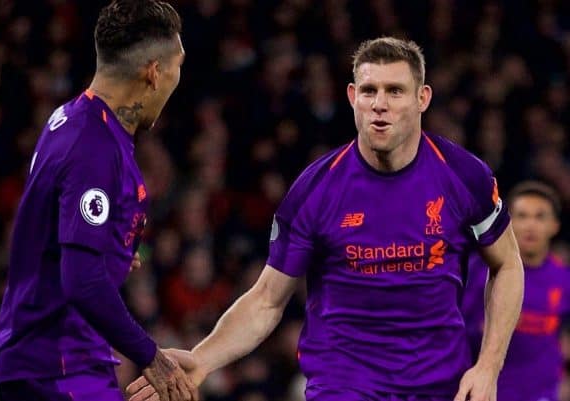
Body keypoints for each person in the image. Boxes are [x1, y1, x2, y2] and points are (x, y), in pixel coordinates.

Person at [128, 36, 524, 401]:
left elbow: (508, 264)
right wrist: (203, 359)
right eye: (369, 91)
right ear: (352, 97)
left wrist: (488, 367)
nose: (379, 104)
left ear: (423, 98)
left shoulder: (463, 176)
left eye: (395, 91)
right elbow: (267, 300)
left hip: (438, 386)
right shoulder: (315, 190)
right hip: (343, 384)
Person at [0, 1, 197, 401]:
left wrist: (110, 250)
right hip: (58, 364)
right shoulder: (94, 147)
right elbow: (81, 279)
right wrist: (150, 356)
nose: (176, 81)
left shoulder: (70, 119)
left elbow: (57, 229)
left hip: (49, 357)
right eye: (178, 67)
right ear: (154, 72)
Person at [462, 181, 570, 401]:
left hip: (543, 393)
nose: (530, 225)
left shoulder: (564, 278)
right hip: (487, 391)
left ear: (555, 226)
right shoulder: (478, 270)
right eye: (521, 216)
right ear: (508, 222)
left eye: (540, 217)